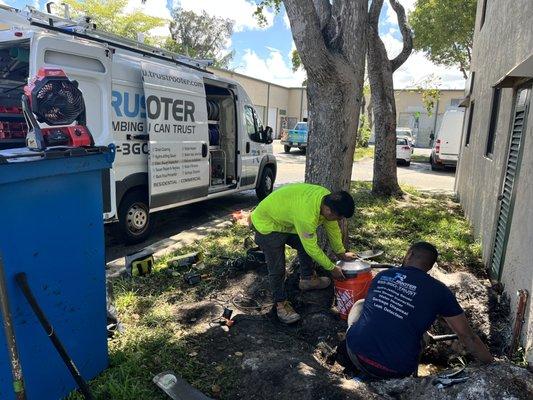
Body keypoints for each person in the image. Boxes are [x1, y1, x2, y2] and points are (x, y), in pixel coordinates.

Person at [345, 242, 493, 379]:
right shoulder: (440, 291)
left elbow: (380, 312)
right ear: (430, 265)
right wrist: (492, 365)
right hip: (395, 372)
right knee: (421, 338)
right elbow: (467, 336)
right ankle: (412, 380)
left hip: (356, 355)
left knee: (360, 304)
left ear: (409, 254)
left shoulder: (383, 276)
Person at [251, 183, 357, 324]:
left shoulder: (327, 199)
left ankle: (307, 279)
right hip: (267, 225)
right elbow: (311, 248)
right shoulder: (307, 216)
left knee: (305, 243)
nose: (339, 220)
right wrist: (331, 268)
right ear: (328, 210)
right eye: (339, 217)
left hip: (287, 223)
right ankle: (281, 304)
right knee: (277, 268)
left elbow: (333, 229)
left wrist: (341, 253)